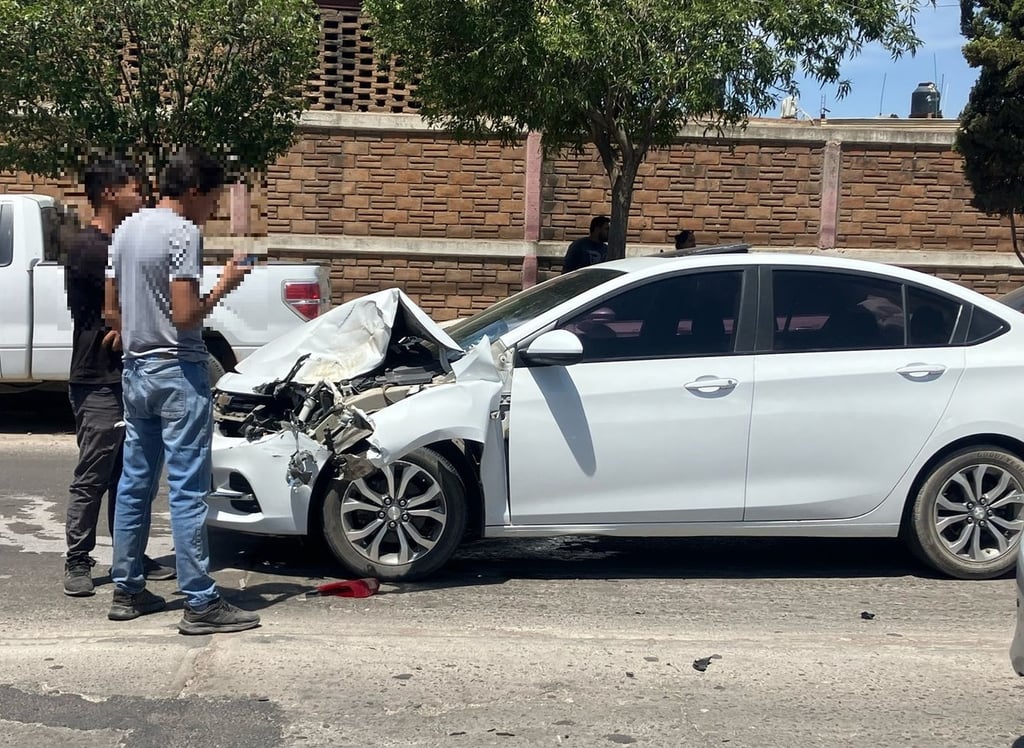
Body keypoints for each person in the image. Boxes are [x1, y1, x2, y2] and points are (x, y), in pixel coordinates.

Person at [105, 148, 259, 634]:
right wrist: (225, 285)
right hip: (178, 368)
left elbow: (111, 308)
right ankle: (200, 600)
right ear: (195, 191)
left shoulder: (126, 229)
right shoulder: (182, 233)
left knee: (135, 483)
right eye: (212, 200)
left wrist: (133, 331)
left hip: (137, 371)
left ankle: (126, 588)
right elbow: (187, 314)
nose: (211, 212)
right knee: (188, 488)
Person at [63, 158, 175, 597]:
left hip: (128, 371)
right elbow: (117, 308)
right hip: (97, 378)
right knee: (95, 472)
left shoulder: (121, 243)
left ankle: (130, 555)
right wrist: (126, 327)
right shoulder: (92, 249)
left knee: (130, 474)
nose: (143, 194)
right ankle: (77, 559)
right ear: (109, 192)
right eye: (134, 186)